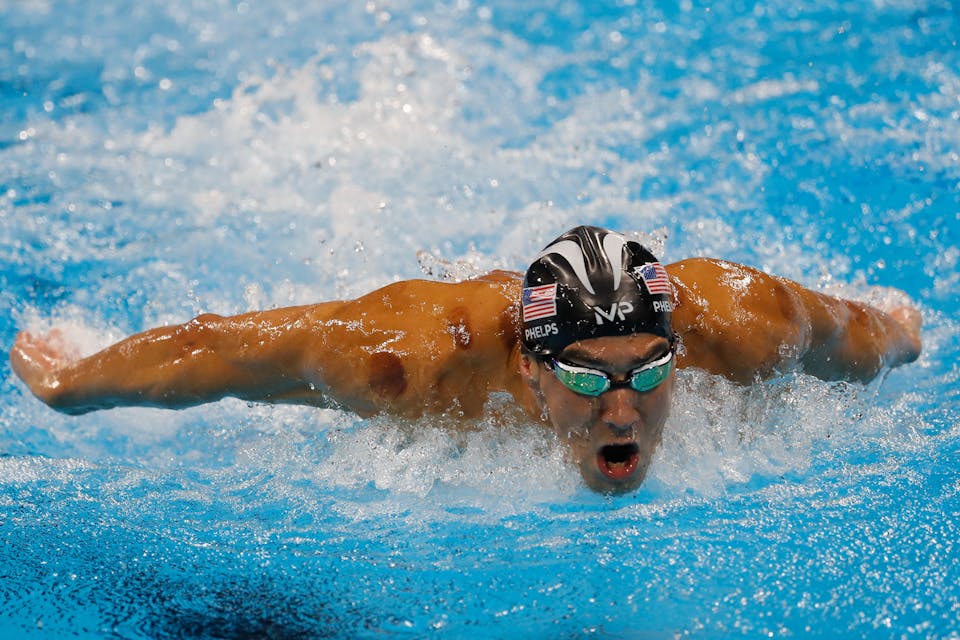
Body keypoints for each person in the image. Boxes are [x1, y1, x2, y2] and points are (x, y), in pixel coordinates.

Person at [9, 225, 922, 493]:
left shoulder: (746, 325)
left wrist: (905, 331)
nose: (620, 411)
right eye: (584, 376)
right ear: (528, 367)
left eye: (648, 372)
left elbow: (868, 333)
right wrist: (71, 385)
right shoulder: (407, 365)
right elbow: (221, 352)